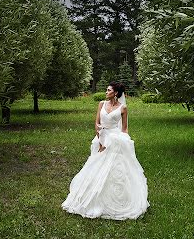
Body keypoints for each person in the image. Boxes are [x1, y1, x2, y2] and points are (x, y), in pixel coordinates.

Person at [61, 81, 149, 220]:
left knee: (116, 168)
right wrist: (101, 140)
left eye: (108, 90)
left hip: (115, 139)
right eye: (106, 90)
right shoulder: (101, 104)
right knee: (96, 165)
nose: (106, 92)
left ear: (115, 93)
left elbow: (124, 128)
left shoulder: (123, 108)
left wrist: (124, 141)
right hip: (102, 137)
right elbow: (97, 124)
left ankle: (118, 199)